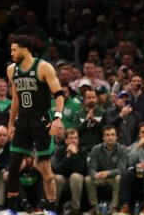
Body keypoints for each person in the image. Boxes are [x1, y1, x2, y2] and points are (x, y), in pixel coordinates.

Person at [5, 35, 65, 215]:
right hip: (22, 121)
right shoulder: (11, 70)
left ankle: (52, 208)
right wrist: (10, 123)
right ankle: (12, 209)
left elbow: (60, 94)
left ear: (25, 50)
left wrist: (57, 117)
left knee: (45, 165)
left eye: (14, 49)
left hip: (42, 120)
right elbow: (15, 98)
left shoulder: (43, 67)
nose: (12, 53)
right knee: (14, 164)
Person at [52, 128, 87, 215]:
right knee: (57, 178)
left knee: (75, 176)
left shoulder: (82, 150)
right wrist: (68, 156)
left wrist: (74, 155)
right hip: (64, 179)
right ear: (66, 140)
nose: (74, 140)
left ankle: (76, 209)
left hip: (78, 179)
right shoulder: (60, 150)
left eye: (76, 138)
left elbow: (80, 169)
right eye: (71, 138)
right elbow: (57, 170)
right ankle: (53, 207)